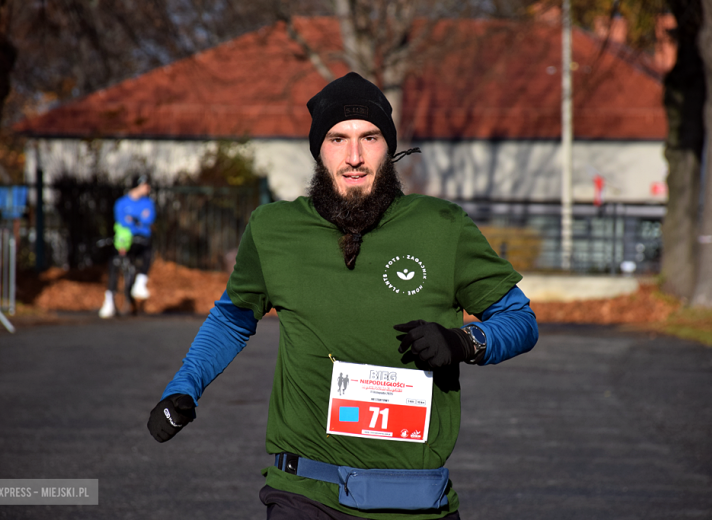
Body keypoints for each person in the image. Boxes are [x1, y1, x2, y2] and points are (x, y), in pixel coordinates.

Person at [147, 72, 538, 519]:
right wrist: (184, 387)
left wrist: (464, 342)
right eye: (337, 139)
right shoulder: (274, 230)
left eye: (369, 137)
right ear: (319, 150)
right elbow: (232, 319)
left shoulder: (442, 227)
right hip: (304, 492)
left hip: (412, 498)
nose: (354, 156)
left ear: (388, 148)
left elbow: (520, 320)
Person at [99, 174, 155, 318]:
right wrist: (138, 219)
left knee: (148, 252)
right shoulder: (122, 203)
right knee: (114, 263)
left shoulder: (148, 202)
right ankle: (109, 300)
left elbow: (148, 219)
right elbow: (122, 221)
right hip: (124, 239)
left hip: (141, 238)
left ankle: (140, 283)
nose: (148, 188)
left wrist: (134, 219)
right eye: (146, 185)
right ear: (139, 185)